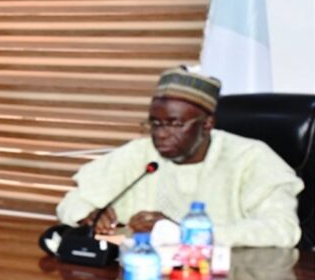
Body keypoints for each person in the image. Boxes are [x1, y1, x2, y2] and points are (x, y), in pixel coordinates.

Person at [57, 66, 304, 247]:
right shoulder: (141, 154)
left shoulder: (250, 158)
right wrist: (89, 215)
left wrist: (182, 232)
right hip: (145, 277)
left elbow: (282, 230)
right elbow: (72, 202)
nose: (161, 134)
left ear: (207, 124)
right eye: (155, 123)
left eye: (174, 124)